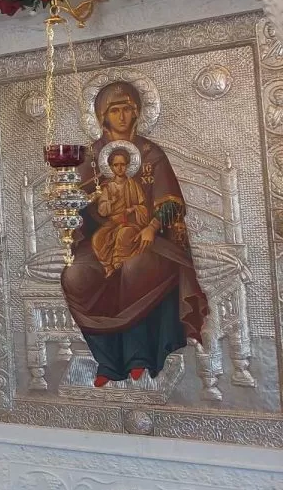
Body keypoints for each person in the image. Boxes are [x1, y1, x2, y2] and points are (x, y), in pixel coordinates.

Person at [60, 82, 209, 387]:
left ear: (138, 112)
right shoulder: (91, 157)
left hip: (152, 240)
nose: (122, 116)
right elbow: (76, 206)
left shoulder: (151, 154)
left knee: (134, 268)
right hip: (105, 239)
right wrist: (84, 206)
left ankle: (138, 357)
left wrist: (151, 226)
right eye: (114, 110)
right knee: (74, 276)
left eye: (127, 108)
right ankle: (108, 361)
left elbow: (171, 202)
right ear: (102, 116)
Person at [90, 147, 149, 278]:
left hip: (130, 222)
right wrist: (111, 202)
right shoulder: (107, 187)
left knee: (123, 234)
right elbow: (102, 210)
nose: (120, 168)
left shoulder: (133, 184)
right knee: (97, 238)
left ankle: (119, 264)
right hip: (113, 223)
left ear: (127, 165)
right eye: (116, 165)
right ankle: (108, 267)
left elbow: (143, 207)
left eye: (122, 164)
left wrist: (133, 209)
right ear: (111, 167)